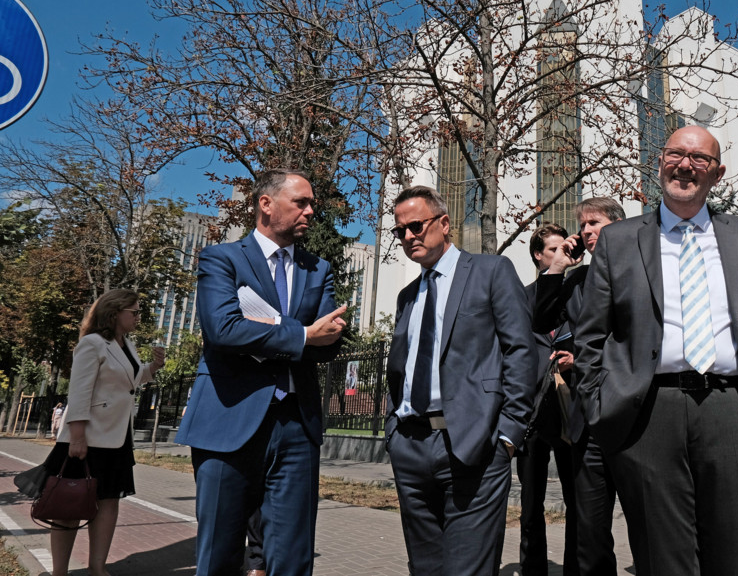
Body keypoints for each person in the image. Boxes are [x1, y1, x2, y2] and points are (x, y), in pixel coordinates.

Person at [574, 125, 738, 575]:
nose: (685, 165)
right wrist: (601, 406)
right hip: (649, 412)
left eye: (700, 159)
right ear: (660, 161)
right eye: (675, 154)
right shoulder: (619, 240)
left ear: (718, 174)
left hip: (732, 409)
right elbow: (591, 336)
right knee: (663, 559)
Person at [175, 168, 348, 576]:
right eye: (300, 202)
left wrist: (279, 332)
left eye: (312, 204)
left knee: (292, 556)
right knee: (219, 552)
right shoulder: (222, 258)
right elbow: (223, 329)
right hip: (228, 420)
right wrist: (302, 334)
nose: (310, 211)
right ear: (266, 204)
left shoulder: (317, 269)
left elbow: (333, 338)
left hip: (296, 428)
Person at [385, 185, 535, 576]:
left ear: (444, 223)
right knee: (426, 568)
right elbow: (399, 369)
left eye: (415, 226)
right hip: (411, 447)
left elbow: (521, 351)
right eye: (399, 231)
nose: (407, 237)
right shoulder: (407, 296)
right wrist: (393, 433)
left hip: (475, 445)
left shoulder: (490, 272)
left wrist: (508, 434)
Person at [532, 197, 624, 576]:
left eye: (594, 223)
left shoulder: (641, 269)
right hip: (588, 420)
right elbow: (541, 319)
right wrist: (558, 264)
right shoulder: (576, 281)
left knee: (649, 520)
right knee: (590, 528)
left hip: (636, 417)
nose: (585, 231)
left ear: (617, 226)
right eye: (582, 225)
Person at [45, 289, 165, 576]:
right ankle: (59, 571)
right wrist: (77, 436)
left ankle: (97, 567)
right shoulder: (92, 344)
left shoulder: (128, 344)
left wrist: (154, 367)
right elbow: (80, 391)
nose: (139, 317)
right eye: (134, 312)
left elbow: (130, 381)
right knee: (69, 506)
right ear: (114, 313)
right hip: (88, 436)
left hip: (117, 437)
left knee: (109, 501)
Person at [519, 223, 578, 576]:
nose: (561, 255)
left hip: (572, 411)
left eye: (563, 248)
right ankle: (533, 569)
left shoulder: (579, 293)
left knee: (577, 501)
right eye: (553, 250)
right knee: (530, 504)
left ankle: (574, 568)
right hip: (532, 413)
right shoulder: (521, 297)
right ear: (539, 255)